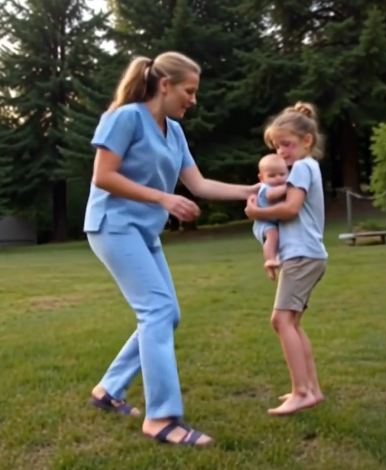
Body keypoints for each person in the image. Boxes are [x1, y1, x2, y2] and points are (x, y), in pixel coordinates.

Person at [84, 51, 259, 445]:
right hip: (113, 225)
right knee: (157, 311)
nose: (193, 100)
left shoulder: (175, 132)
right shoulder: (125, 117)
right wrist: (164, 199)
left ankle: (108, 390)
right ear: (164, 85)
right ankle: (160, 418)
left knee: (167, 314)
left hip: (144, 231)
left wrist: (252, 190)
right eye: (189, 91)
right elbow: (103, 176)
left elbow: (199, 184)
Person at [244, 101, 328, 416]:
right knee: (290, 322)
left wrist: (256, 213)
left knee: (280, 321)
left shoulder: (303, 167)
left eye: (286, 144)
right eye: (277, 146)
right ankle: (311, 390)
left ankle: (301, 391)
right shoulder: (306, 167)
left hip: (301, 255)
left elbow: (291, 208)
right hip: (306, 254)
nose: (281, 151)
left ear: (306, 140)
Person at [252, 154, 288, 280]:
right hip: (263, 223)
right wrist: (288, 186)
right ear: (261, 178)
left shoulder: (279, 187)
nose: (278, 178)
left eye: (282, 174)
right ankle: (269, 260)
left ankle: (271, 270)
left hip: (273, 222)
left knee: (278, 243)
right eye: (272, 176)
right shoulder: (266, 188)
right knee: (273, 235)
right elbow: (271, 195)